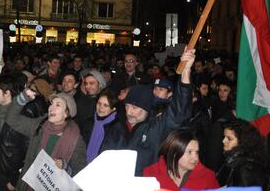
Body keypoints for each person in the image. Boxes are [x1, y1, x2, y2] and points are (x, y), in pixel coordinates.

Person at [100, 47, 195, 175]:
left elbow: (179, 113)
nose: (129, 112)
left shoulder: (155, 128)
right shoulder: (116, 128)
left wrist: (185, 71)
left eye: (135, 108)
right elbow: (102, 159)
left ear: (146, 109)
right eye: (127, 106)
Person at [6, 90, 86, 190]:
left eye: (58, 105)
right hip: (27, 186)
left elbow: (81, 173)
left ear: (66, 114)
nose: (51, 108)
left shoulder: (75, 140)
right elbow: (11, 119)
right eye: (51, 104)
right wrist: (24, 97)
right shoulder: (39, 126)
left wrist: (65, 167)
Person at [143, 128, 220, 191]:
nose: (195, 157)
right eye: (189, 152)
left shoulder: (208, 177)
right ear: (173, 152)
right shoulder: (151, 173)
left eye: (197, 152)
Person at [217, 119, 269, 189]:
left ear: (243, 141)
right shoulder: (234, 159)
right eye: (224, 137)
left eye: (229, 138)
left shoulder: (247, 170)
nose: (223, 141)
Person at [81, 89, 118, 163]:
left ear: (113, 109)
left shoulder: (116, 129)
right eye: (99, 103)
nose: (101, 107)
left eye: (105, 105)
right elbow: (81, 146)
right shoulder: (88, 123)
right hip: (82, 165)